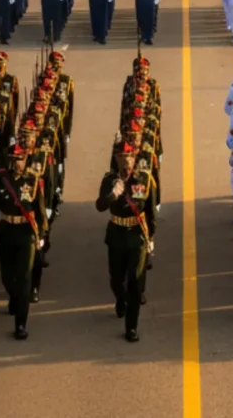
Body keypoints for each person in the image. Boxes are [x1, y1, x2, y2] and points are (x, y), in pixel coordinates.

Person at [95, 140, 157, 342]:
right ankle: (120, 300)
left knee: (135, 282)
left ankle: (131, 327)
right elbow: (100, 206)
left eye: (129, 158)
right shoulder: (110, 180)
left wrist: (151, 236)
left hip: (137, 236)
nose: (126, 162)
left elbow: (150, 211)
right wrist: (112, 195)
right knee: (116, 279)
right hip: (117, 234)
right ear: (116, 159)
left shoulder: (144, 179)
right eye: (122, 158)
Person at [0, 144, 49, 339]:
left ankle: (21, 324)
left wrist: (43, 234)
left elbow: (40, 209)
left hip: (26, 232)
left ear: (26, 159)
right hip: (7, 229)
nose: (17, 163)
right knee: (7, 275)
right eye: (14, 160)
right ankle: (14, 296)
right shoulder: (1, 179)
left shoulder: (33, 179)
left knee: (24, 278)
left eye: (20, 159)